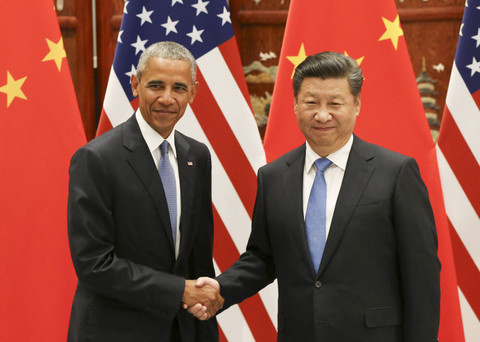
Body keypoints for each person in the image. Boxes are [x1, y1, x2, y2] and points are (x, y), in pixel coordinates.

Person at [188, 51, 441, 341]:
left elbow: (421, 275)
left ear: (356, 105)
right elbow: (263, 257)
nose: (322, 115)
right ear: (295, 105)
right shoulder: (273, 177)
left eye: (335, 103)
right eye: (311, 102)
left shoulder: (396, 173)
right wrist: (222, 289)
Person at [66, 41, 223, 342]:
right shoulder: (96, 159)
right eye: (156, 85)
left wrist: (204, 323)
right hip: (114, 332)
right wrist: (180, 291)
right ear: (135, 85)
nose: (167, 98)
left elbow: (197, 257)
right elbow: (93, 264)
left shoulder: (197, 156)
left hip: (181, 331)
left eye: (178, 88)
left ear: (193, 92)